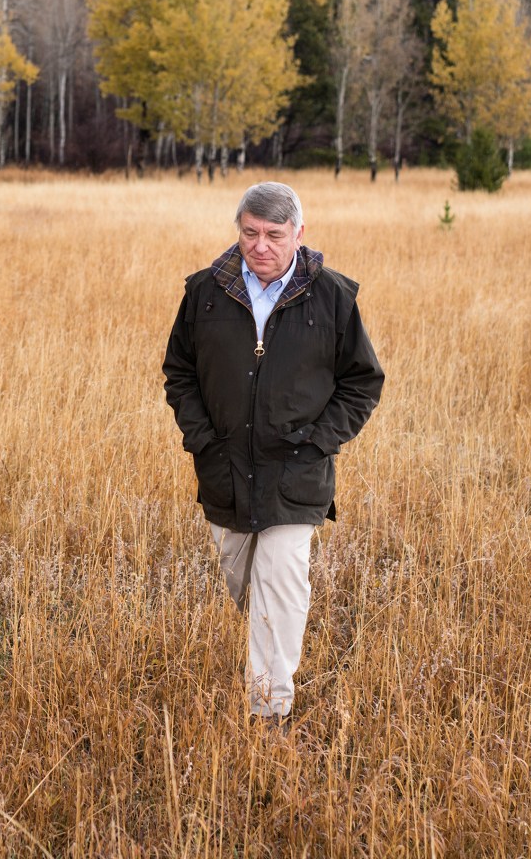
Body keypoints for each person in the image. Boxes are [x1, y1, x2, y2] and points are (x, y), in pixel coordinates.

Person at [162, 181, 384, 724]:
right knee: (245, 582)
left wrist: (318, 442)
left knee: (280, 583)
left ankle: (269, 712)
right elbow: (180, 373)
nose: (260, 246)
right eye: (250, 233)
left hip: (297, 472)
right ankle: (269, 644)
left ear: (298, 235)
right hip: (225, 470)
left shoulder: (333, 297)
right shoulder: (204, 293)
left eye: (274, 235)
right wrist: (203, 443)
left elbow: (362, 382)